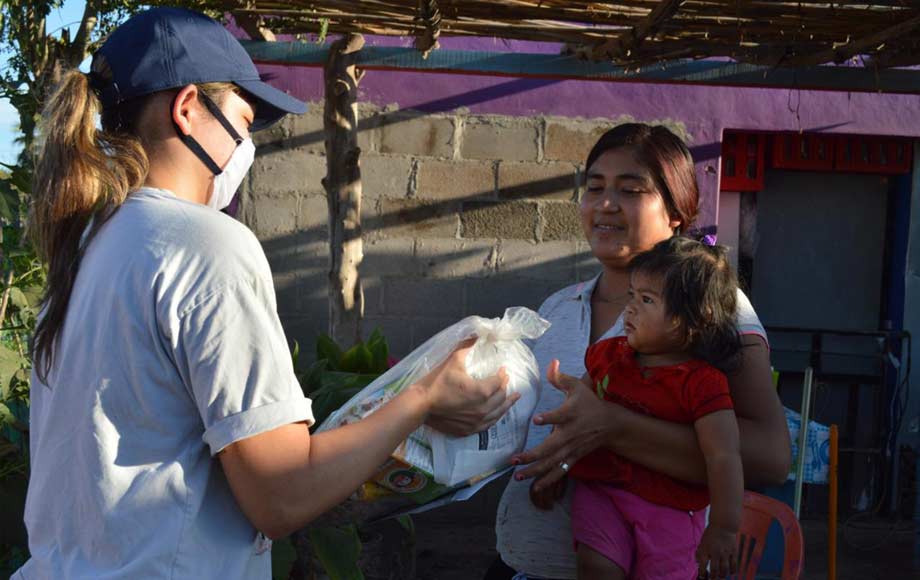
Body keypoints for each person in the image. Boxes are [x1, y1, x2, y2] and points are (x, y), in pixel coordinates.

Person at [17, 8, 513, 579]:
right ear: (186, 109)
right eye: (245, 120)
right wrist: (424, 398)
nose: (246, 145)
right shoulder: (206, 244)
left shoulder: (84, 247)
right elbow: (281, 495)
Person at [487, 124, 791, 580]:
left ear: (675, 212)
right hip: (527, 567)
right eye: (594, 188)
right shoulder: (558, 307)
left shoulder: (712, 312)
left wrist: (614, 428)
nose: (605, 204)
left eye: (630, 190)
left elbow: (770, 455)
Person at [531, 237, 745, 579]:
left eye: (647, 300)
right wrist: (557, 466)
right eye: (631, 295)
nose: (630, 308)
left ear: (696, 318)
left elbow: (724, 456)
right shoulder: (610, 357)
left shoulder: (703, 383)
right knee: (595, 567)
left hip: (670, 510)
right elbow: (577, 412)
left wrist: (723, 527)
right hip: (603, 494)